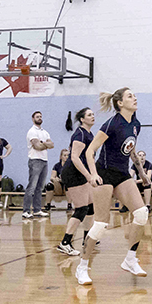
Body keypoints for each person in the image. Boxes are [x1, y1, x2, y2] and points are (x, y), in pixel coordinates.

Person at [81, 87, 152, 282]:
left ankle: (130, 259)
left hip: (122, 173)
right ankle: (82, 266)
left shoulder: (135, 124)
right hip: (103, 174)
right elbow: (90, 151)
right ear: (120, 103)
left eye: (135, 95)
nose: (135, 98)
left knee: (141, 213)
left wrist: (142, 174)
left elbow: (131, 150)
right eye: (130, 96)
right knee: (101, 224)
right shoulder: (111, 124)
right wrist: (93, 174)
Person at [60, 108, 98, 261]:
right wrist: (89, 176)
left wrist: (94, 173)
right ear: (82, 119)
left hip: (82, 172)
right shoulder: (80, 134)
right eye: (89, 115)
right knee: (81, 208)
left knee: (90, 207)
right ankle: (65, 242)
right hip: (73, 172)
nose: (93, 116)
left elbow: (90, 157)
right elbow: (75, 158)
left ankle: (87, 239)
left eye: (93, 114)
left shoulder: (89, 134)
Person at [25, 111, 54, 220]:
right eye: (37, 117)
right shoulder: (32, 131)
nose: (39, 118)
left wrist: (43, 143)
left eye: (41, 116)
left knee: (40, 187)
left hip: (44, 160)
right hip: (35, 160)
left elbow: (52, 145)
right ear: (33, 119)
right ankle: (26, 211)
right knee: (31, 187)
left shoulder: (45, 132)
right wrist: (44, 144)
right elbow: (37, 146)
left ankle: (37, 210)